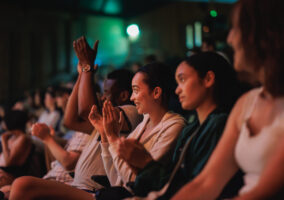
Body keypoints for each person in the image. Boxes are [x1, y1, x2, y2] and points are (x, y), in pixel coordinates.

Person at [172, 0, 284, 199]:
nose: (230, 39)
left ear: (265, 34)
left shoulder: (217, 121)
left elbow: (260, 193)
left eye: (237, 28)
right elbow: (206, 181)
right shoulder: (247, 102)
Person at [9, 36, 142, 200]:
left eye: (107, 92)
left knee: (22, 185)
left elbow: (86, 110)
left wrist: (88, 68)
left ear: (123, 95)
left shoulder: (130, 111)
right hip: (76, 187)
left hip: (92, 191)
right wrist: (81, 74)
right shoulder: (103, 122)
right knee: (9, 190)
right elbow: (70, 121)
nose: (102, 97)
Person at [114, 52, 241, 200]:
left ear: (208, 79)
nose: (177, 90)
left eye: (182, 80)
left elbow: (195, 185)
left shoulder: (218, 124)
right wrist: (138, 164)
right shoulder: (191, 129)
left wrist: (145, 162)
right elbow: (171, 180)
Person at [97, 62, 186, 199]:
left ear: (156, 92)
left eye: (136, 90)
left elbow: (135, 183)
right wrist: (106, 135)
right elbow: (116, 180)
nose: (132, 98)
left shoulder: (174, 126)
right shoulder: (143, 123)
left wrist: (113, 139)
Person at [0, 110, 43, 190]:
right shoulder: (12, 137)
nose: (3, 123)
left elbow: (8, 162)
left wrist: (4, 141)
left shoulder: (23, 138)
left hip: (3, 176)